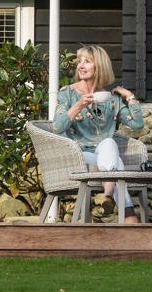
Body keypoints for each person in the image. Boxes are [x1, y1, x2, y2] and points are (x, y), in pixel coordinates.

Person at [54, 45, 144, 223]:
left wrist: (129, 96)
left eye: (87, 62)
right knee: (115, 161)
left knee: (109, 145)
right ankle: (122, 208)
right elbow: (58, 126)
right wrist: (79, 105)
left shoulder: (111, 99)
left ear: (99, 66)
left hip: (103, 156)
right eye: (79, 62)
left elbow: (137, 124)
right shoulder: (67, 94)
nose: (80, 65)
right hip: (79, 155)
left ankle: (109, 196)